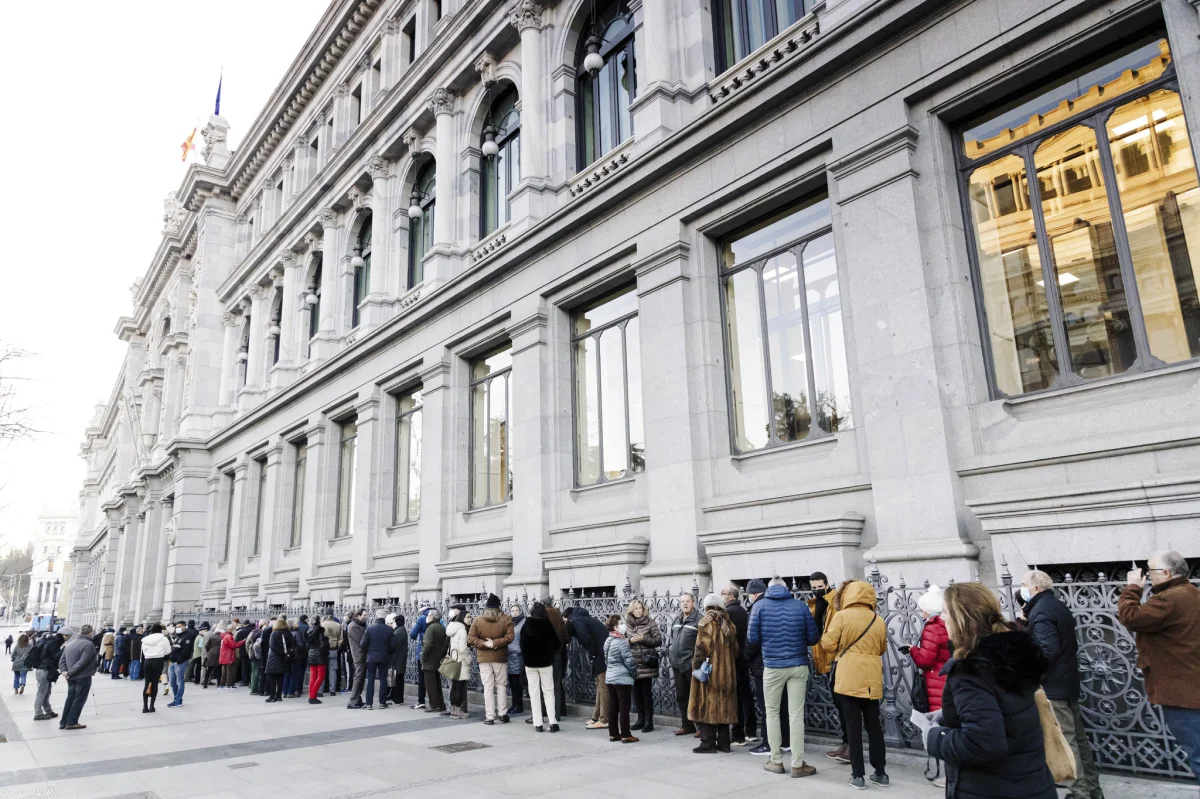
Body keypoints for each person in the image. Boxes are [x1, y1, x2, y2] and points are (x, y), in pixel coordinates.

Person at [925, 582, 1057, 799]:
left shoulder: (972, 670)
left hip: (991, 787)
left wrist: (933, 737)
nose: (942, 618)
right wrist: (954, 712)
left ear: (961, 618)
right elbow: (1005, 713)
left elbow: (982, 743)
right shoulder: (1012, 656)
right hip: (1030, 782)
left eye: (946, 612)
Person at [1118, 551, 1200, 790]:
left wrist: (1132, 588)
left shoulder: (1170, 598)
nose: (1146, 576)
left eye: (1149, 571)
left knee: (1197, 754)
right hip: (1191, 687)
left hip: (1182, 694)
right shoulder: (1192, 594)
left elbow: (1129, 616)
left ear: (1166, 573)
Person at [1022, 570, 1102, 799]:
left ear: (1035, 588)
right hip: (1067, 682)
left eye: (1024, 584)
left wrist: (1034, 674)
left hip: (1054, 686)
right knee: (1078, 740)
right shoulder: (1055, 605)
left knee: (1068, 743)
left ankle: (1080, 794)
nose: (1022, 588)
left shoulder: (1041, 611)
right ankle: (1093, 791)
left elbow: (1047, 649)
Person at [748, 576, 820, 777]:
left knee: (771, 713)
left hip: (772, 666)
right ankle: (797, 764)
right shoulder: (800, 606)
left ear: (768, 589)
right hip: (798, 664)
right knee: (796, 714)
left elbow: (752, 638)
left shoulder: (759, 607)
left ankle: (776, 761)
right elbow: (814, 638)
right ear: (787, 588)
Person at [820, 579, 888, 789]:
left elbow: (827, 644)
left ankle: (857, 775)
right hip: (871, 676)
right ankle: (881, 772)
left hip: (848, 674)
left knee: (853, 726)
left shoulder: (841, 616)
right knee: (874, 726)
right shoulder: (878, 619)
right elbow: (882, 648)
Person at [689, 593, 739, 753]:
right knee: (724, 705)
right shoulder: (729, 624)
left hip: (710, 673)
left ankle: (708, 743)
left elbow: (701, 649)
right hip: (727, 673)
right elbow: (736, 650)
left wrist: (696, 667)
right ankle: (724, 743)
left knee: (706, 705)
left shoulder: (706, 623)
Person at [743, 579, 786, 756]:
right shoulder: (785, 605)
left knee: (768, 706)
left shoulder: (759, 608)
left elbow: (753, 639)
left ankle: (769, 743)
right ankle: (785, 741)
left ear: (753, 594)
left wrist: (746, 656)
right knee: (782, 705)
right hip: (785, 662)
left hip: (763, 663)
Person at [469, 593, 515, 725]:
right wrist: (494, 643)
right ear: (498, 607)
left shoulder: (478, 620)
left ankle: (489, 716)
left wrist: (484, 644)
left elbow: (471, 638)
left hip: (483, 657)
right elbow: (510, 637)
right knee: (501, 685)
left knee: (488, 686)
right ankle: (502, 713)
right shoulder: (506, 619)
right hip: (499, 657)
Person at [719, 584, 755, 745]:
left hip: (734, 660)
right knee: (746, 695)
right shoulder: (742, 611)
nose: (721, 595)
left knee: (737, 697)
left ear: (731, 597)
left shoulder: (730, 613)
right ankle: (751, 731)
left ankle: (738, 734)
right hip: (742, 659)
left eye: (723, 593)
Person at [563, 605, 608, 730]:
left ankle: (604, 719)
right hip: (602, 652)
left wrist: (592, 653)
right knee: (600, 685)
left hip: (601, 653)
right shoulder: (582, 619)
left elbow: (585, 637)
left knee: (603, 687)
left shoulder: (576, 621)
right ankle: (596, 716)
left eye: (564, 620)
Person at [521, 601, 562, 732]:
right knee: (548, 692)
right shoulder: (547, 625)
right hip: (545, 663)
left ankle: (538, 723)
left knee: (534, 693)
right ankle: (552, 722)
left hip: (530, 664)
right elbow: (557, 644)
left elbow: (521, 644)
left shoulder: (526, 625)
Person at [624, 598, 662, 733]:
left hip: (646, 663)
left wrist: (643, 638)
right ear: (631, 611)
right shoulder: (628, 624)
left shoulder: (650, 623)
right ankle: (640, 719)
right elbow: (622, 640)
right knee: (636, 693)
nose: (639, 611)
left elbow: (658, 640)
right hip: (633, 663)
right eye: (636, 609)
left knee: (646, 693)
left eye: (640, 608)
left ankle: (648, 721)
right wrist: (629, 640)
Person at [668, 593, 701, 737]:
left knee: (696, 697)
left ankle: (701, 726)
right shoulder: (677, 619)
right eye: (682, 601)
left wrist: (695, 661)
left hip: (691, 665)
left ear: (693, 602)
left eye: (687, 601)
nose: (685, 604)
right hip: (677, 664)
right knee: (681, 696)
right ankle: (687, 725)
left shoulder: (699, 620)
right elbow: (671, 639)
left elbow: (702, 644)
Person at [604, 614, 638, 743]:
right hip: (622, 679)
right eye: (620, 624)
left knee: (613, 706)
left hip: (611, 677)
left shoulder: (608, 640)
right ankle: (625, 734)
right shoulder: (622, 642)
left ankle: (613, 733)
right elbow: (629, 661)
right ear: (615, 627)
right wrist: (634, 672)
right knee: (624, 707)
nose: (622, 626)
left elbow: (606, 658)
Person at [57, 624, 97, 730]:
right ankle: (72, 722)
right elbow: (82, 662)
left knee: (70, 698)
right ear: (90, 633)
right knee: (79, 699)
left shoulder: (70, 643)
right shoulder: (88, 644)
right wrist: (70, 672)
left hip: (71, 677)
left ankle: (63, 722)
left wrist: (65, 672)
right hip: (82, 676)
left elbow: (62, 660)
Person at [360, 609, 394, 710]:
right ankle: (382, 702)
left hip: (371, 657)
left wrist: (368, 651)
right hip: (384, 657)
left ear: (376, 616)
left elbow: (362, 644)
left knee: (371, 679)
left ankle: (369, 703)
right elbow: (394, 645)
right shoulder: (389, 629)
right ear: (385, 617)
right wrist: (387, 651)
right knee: (383, 679)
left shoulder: (370, 628)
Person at [546, 599, 570, 722]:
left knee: (545, 686)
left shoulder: (544, 614)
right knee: (557, 684)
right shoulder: (558, 615)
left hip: (546, 655)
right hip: (559, 654)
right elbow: (566, 636)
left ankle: (546, 712)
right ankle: (558, 712)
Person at [32, 629, 65, 721]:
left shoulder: (47, 642)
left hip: (42, 669)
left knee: (46, 692)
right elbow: (54, 657)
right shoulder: (54, 643)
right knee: (42, 692)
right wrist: (63, 650)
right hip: (44, 670)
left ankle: (48, 710)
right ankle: (38, 713)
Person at [420, 608, 448, 713]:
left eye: (428, 616)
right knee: (437, 683)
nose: (427, 617)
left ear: (432, 617)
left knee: (430, 684)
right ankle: (441, 705)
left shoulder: (431, 628)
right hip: (438, 659)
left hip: (430, 661)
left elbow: (427, 645)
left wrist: (423, 658)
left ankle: (434, 705)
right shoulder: (441, 627)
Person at [139, 623, 170, 713]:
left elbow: (143, 651)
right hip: (158, 660)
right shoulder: (164, 639)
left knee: (147, 683)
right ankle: (152, 706)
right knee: (155, 683)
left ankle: (145, 706)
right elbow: (168, 651)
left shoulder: (145, 639)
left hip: (147, 661)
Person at [410, 602, 433, 709]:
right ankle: (435, 702)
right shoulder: (438, 616)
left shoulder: (422, 618)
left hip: (423, 651)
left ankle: (421, 701)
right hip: (435, 652)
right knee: (434, 677)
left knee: (422, 677)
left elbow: (412, 634)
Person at [265, 616, 293, 702]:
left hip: (275, 658)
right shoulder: (289, 633)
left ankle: (272, 696)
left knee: (272, 677)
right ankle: (279, 695)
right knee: (281, 678)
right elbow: (292, 645)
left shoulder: (274, 633)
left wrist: (280, 653)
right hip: (284, 658)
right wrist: (286, 654)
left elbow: (272, 646)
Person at [506, 603, 527, 716]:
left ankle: (519, 705)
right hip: (509, 656)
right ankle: (514, 704)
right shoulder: (509, 622)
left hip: (518, 656)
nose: (514, 612)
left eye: (516, 610)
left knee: (518, 682)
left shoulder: (523, 622)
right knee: (512, 683)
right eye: (512, 610)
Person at [166, 621, 192, 707]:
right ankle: (176, 698)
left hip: (180, 663)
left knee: (179, 682)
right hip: (173, 662)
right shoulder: (178, 637)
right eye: (176, 626)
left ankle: (178, 700)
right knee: (172, 682)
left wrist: (179, 660)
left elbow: (186, 652)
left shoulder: (187, 637)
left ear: (184, 626)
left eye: (179, 626)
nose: (177, 628)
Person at [345, 608, 368, 709]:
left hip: (363, 654)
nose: (366, 617)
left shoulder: (361, 625)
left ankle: (357, 699)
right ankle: (352, 700)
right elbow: (362, 640)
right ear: (358, 616)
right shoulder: (353, 626)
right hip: (358, 654)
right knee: (359, 677)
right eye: (364, 615)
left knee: (361, 677)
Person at [306, 614, 329, 704]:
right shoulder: (319, 630)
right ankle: (312, 696)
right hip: (319, 654)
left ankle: (311, 695)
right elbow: (322, 644)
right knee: (321, 676)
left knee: (313, 676)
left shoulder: (309, 629)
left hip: (311, 653)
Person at [388, 614, 408, 706]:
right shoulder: (400, 631)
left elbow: (394, 645)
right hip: (399, 659)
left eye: (393, 622)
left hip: (398, 660)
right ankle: (396, 697)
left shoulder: (399, 632)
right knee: (397, 679)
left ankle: (398, 699)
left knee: (398, 680)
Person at [218, 622, 245, 690]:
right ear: (232, 629)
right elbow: (234, 645)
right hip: (228, 656)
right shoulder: (229, 637)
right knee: (229, 671)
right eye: (234, 629)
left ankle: (222, 684)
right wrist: (242, 641)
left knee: (224, 671)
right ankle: (229, 685)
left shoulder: (225, 636)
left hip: (224, 656)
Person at [322, 614, 342, 697]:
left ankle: (320, 690)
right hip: (333, 649)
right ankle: (332, 690)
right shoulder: (338, 625)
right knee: (333, 670)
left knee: (322, 670)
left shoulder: (322, 624)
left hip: (324, 650)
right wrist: (337, 647)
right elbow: (341, 640)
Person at [202, 622, 221, 687]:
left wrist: (209, 651)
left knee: (209, 669)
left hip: (211, 653)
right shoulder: (221, 637)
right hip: (219, 653)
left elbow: (206, 645)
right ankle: (218, 684)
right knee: (218, 670)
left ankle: (205, 684)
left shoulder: (212, 637)